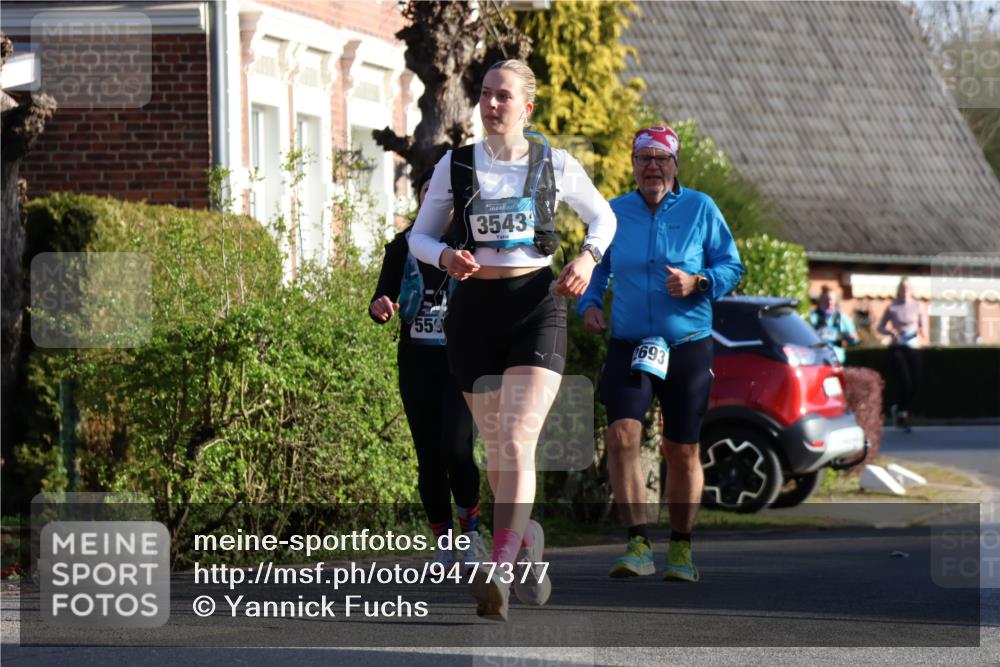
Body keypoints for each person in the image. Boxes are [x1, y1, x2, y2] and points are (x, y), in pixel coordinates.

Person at [409, 59, 616, 621]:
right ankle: (526, 540)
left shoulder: (555, 162)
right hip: (474, 313)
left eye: (504, 96)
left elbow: (603, 219)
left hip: (536, 307)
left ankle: (500, 569)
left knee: (518, 439)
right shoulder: (456, 165)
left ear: (527, 107)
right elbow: (420, 239)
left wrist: (588, 258)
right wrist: (447, 255)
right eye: (485, 94)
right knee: (498, 449)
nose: (491, 104)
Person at [577, 125, 744, 583]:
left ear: (675, 165)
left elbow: (732, 265)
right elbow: (597, 267)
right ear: (633, 166)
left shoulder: (700, 208)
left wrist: (700, 282)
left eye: (661, 159)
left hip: (687, 344)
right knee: (622, 436)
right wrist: (589, 304)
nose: (652, 167)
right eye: (644, 159)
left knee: (681, 448)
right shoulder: (613, 213)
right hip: (630, 344)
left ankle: (682, 549)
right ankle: (637, 544)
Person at [369, 168, 487, 570]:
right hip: (417, 362)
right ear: (422, 198)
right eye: (428, 190)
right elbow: (380, 298)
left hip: (461, 362)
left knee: (457, 448)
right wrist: (380, 307)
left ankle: (471, 531)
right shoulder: (402, 246)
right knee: (428, 455)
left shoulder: (473, 246)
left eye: (447, 194)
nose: (437, 199)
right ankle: (442, 539)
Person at [876, 277, 927, 432]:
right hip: (897, 347)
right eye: (902, 287)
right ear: (898, 289)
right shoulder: (892, 307)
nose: (905, 290)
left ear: (911, 289)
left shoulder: (919, 305)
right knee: (904, 382)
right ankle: (902, 416)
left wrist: (921, 331)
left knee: (914, 384)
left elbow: (923, 327)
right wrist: (890, 331)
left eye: (907, 287)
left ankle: (898, 407)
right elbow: (880, 328)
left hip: (913, 346)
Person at [807, 285, 859, 364]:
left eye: (831, 300)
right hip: (817, 361)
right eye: (826, 299)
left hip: (837, 360)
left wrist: (851, 338)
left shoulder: (843, 318)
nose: (829, 302)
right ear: (821, 301)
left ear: (835, 301)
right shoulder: (812, 317)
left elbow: (855, 339)